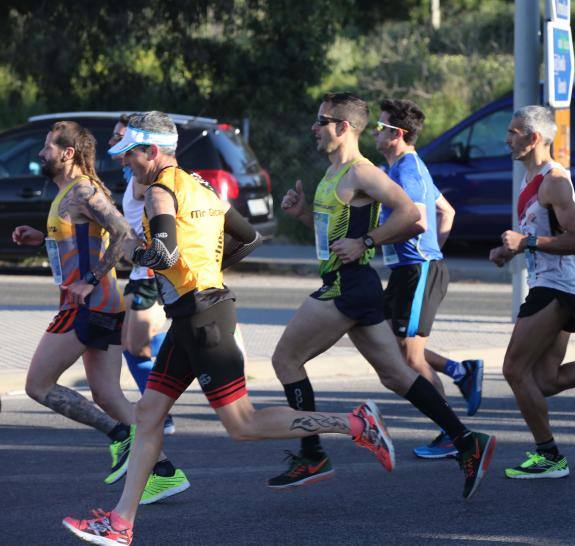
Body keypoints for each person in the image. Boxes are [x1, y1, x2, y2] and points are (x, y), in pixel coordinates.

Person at [62, 111, 395, 546]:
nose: (125, 163)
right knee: (147, 415)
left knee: (242, 424)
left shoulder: (160, 191)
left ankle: (353, 423)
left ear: (152, 151)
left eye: (130, 155)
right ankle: (121, 523)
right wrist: (202, 269)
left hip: (203, 319)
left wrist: (133, 253)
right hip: (193, 314)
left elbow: (162, 254)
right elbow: (250, 239)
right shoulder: (199, 184)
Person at [273, 92, 495, 498]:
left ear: (343, 128)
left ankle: (312, 453)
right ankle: (467, 441)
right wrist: (303, 212)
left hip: (347, 286)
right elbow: (331, 239)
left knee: (285, 359)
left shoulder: (363, 172)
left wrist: (367, 242)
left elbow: (413, 215)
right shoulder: (333, 172)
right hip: (351, 284)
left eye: (321, 121)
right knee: (395, 375)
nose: (313, 128)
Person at [14, 121, 188, 501]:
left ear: (67, 153)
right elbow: (79, 246)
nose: (42, 153)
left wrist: (90, 279)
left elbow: (125, 234)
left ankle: (121, 437)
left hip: (89, 305)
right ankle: (163, 471)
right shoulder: (67, 194)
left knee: (37, 386)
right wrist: (38, 240)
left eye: (48, 146)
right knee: (108, 394)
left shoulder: (83, 191)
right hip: (103, 307)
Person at [487, 105, 575, 479]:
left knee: (514, 370)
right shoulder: (529, 180)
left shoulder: (554, 181)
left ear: (533, 137)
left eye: (513, 131)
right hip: (554, 285)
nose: (507, 138)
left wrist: (527, 242)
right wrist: (511, 249)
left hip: (555, 288)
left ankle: (550, 456)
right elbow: (535, 234)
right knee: (546, 381)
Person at [373, 98, 484, 459]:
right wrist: (434, 249)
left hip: (417, 270)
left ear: (397, 134)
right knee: (396, 345)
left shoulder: (406, 170)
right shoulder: (406, 168)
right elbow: (446, 211)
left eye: (381, 126)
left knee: (410, 357)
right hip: (413, 269)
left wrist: (426, 253)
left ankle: (452, 433)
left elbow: (419, 220)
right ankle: (459, 371)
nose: (375, 132)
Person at [109, 115, 173, 435]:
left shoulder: (149, 180)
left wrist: (140, 249)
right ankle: (159, 408)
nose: (114, 144)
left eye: (120, 138)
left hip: (147, 270)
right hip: (141, 269)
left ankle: (160, 412)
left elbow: (161, 218)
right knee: (137, 345)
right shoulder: (133, 175)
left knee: (135, 347)